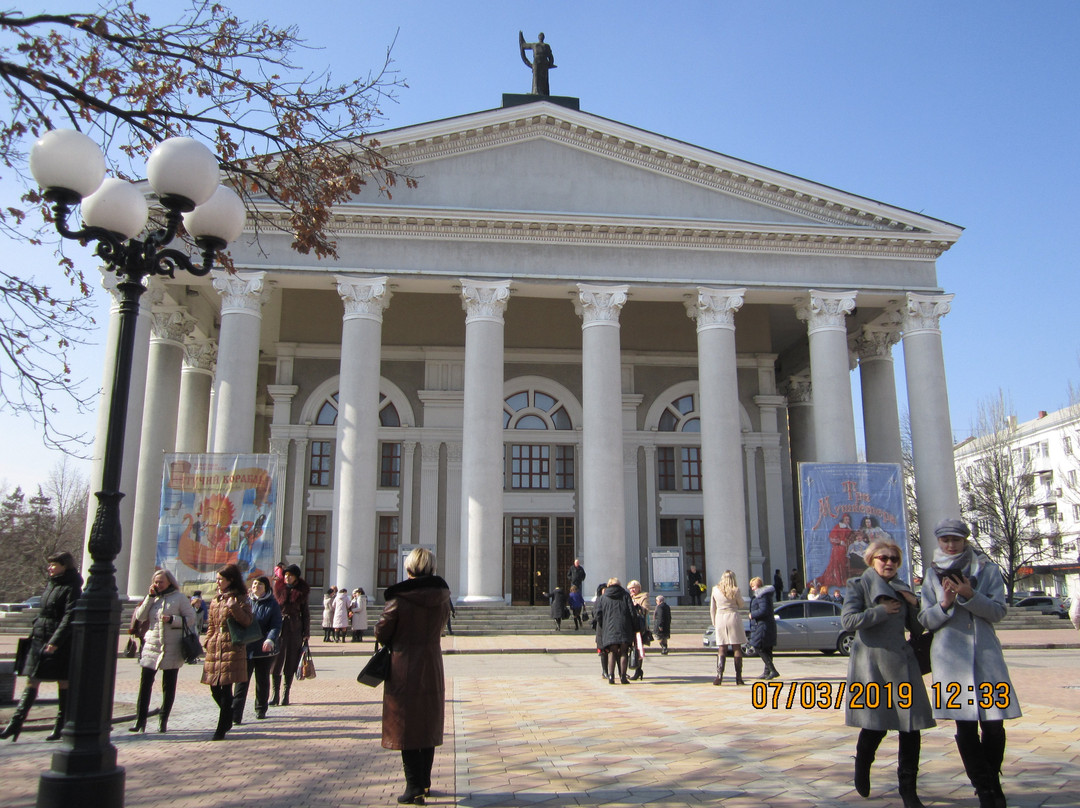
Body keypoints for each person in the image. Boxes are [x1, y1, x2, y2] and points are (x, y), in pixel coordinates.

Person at [919, 518, 1021, 808]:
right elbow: (925, 619)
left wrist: (969, 595)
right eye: (945, 540)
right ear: (939, 542)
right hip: (949, 661)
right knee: (964, 727)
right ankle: (986, 788)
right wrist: (945, 605)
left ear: (965, 540)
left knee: (994, 726)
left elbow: (998, 611)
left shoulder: (986, 569)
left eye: (956, 539)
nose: (951, 545)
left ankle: (991, 779)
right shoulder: (931, 575)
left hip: (986, 658)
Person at [843, 539, 933, 808]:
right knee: (875, 725)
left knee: (911, 727)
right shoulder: (858, 586)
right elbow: (848, 621)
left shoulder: (903, 588)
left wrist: (914, 605)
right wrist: (880, 611)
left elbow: (917, 631)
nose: (890, 563)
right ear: (871, 560)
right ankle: (862, 764)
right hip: (871, 666)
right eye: (884, 558)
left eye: (894, 559)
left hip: (902, 665)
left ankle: (908, 788)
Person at [375, 547, 452, 805]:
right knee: (427, 723)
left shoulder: (400, 598)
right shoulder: (442, 597)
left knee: (406, 727)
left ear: (409, 568)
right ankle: (425, 783)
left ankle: (413, 787)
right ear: (432, 568)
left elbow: (383, 633)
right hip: (431, 664)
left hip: (403, 666)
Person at [2, 551, 82, 742]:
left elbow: (69, 616)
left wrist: (55, 641)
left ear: (65, 565)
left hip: (59, 641)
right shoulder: (51, 584)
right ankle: (15, 724)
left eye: (54, 564)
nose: (50, 567)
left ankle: (60, 725)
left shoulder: (72, 588)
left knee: (63, 681)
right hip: (39, 637)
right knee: (32, 679)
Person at [129, 568, 198, 733]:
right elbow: (140, 617)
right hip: (152, 644)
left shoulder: (179, 598)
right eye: (156, 582)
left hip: (172, 645)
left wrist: (172, 620)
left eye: (161, 582)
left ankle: (163, 720)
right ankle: (140, 720)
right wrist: (149, 597)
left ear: (169, 582)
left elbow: (191, 619)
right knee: (145, 683)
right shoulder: (153, 598)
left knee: (169, 684)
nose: (158, 584)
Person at [201, 563, 254, 740]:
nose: (217, 582)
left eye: (220, 579)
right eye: (216, 579)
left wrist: (234, 607)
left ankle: (220, 729)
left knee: (225, 689)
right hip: (215, 647)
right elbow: (211, 624)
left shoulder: (241, 598)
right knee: (215, 689)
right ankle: (230, 714)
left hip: (232, 646)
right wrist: (208, 640)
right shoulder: (216, 599)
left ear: (230, 580)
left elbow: (247, 621)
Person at [232, 575, 282, 724]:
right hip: (246, 648)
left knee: (262, 680)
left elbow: (276, 624)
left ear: (266, 587)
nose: (256, 587)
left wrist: (270, 639)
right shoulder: (245, 602)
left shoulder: (272, 604)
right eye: (254, 584)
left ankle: (261, 708)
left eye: (260, 585)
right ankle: (236, 713)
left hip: (263, 649)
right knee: (241, 681)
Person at [270, 564, 310, 707]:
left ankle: (286, 694)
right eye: (285, 575)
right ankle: (275, 693)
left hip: (295, 628)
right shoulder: (278, 589)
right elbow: (273, 610)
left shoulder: (301, 592)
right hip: (279, 628)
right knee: (276, 662)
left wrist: (306, 632)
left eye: (290, 575)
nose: (287, 577)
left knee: (291, 661)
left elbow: (305, 613)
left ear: (296, 577)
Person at [594, 577, 636, 684]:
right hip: (624, 627)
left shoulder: (603, 597)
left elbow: (598, 614)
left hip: (609, 628)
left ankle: (611, 677)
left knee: (612, 652)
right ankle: (623, 677)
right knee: (623, 652)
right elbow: (632, 612)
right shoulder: (625, 595)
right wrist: (634, 626)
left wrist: (604, 625)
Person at [709, 570, 747, 686]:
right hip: (733, 617)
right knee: (737, 647)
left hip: (720, 618)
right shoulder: (736, 590)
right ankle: (739, 677)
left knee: (722, 647)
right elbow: (741, 604)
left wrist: (714, 622)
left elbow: (712, 608)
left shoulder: (715, 589)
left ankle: (719, 676)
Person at [748, 576, 779, 680]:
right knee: (767, 648)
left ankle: (773, 670)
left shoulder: (762, 596)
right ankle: (767, 672)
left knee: (758, 647)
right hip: (766, 624)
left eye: (753, 586)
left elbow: (763, 610)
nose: (752, 588)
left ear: (758, 585)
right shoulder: (764, 595)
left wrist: (752, 614)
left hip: (763, 625)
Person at [821, 513, 854, 587]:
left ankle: (843, 579)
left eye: (848, 519)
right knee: (838, 564)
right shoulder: (838, 527)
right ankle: (839, 580)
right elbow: (832, 537)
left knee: (845, 564)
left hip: (846, 549)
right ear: (843, 519)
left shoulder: (848, 528)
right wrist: (840, 542)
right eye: (846, 519)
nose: (847, 521)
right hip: (838, 549)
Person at [518, 31, 556, 95]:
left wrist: (551, 63)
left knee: (544, 78)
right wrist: (520, 37)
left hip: (544, 62)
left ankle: (544, 92)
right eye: (540, 36)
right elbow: (524, 45)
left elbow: (550, 55)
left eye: (542, 36)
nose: (541, 37)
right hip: (537, 61)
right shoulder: (534, 45)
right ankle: (536, 91)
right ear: (538, 37)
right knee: (536, 77)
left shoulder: (547, 46)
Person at [627, 579, 650, 680]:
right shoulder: (628, 597)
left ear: (638, 588)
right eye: (630, 588)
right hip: (629, 626)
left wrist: (638, 606)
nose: (632, 590)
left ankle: (638, 669)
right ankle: (634, 668)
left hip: (639, 627)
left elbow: (646, 610)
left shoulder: (643, 597)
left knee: (638, 648)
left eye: (633, 588)